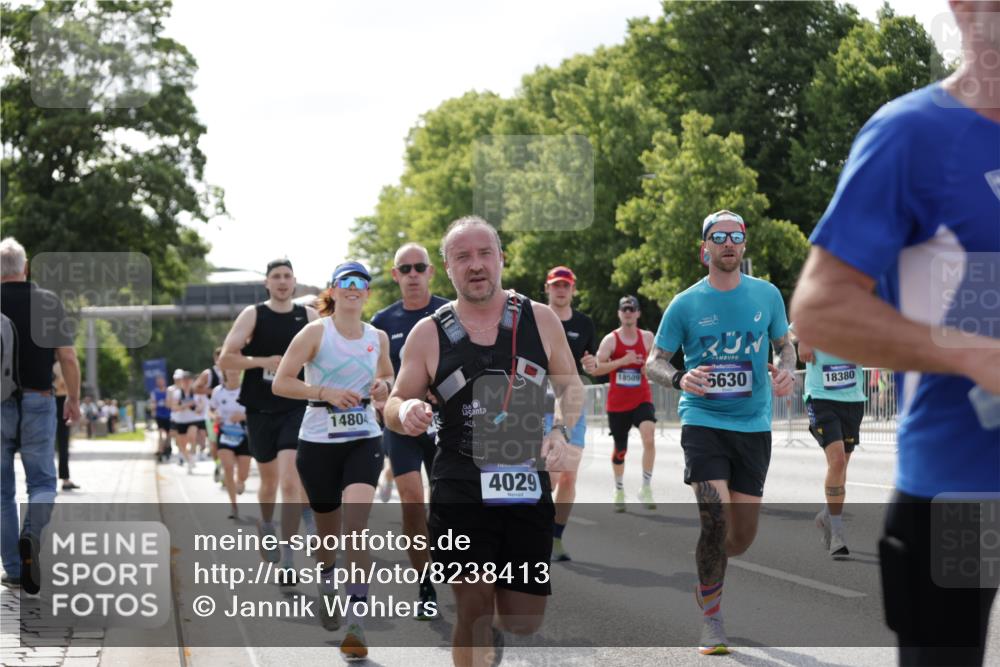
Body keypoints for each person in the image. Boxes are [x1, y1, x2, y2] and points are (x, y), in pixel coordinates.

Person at [790, 4, 1000, 663]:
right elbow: (820, 310)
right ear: (964, 9)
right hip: (960, 495)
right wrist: (973, 353)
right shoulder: (913, 134)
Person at [385, 216, 582, 667]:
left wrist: (559, 430)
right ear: (447, 269)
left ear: (501, 259)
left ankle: (495, 626)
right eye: (462, 257)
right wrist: (406, 411)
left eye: (484, 254)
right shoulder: (429, 332)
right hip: (460, 480)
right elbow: (395, 401)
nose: (475, 265)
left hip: (526, 481)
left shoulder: (540, 318)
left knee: (522, 619)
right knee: (473, 607)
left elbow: (570, 388)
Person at [644, 210, 795, 655]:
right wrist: (678, 379)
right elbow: (655, 360)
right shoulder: (685, 303)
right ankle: (712, 619)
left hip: (753, 424)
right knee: (715, 520)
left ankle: (709, 577)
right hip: (703, 421)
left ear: (743, 246)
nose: (728, 243)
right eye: (719, 236)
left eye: (736, 236)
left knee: (740, 537)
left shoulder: (766, 295)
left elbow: (785, 346)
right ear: (704, 248)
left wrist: (788, 372)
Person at [273, 260, 394, 661]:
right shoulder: (314, 333)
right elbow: (282, 382)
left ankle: (356, 623)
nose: (355, 288)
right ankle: (326, 581)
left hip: (364, 437)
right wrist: (323, 392)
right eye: (347, 282)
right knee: (328, 539)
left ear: (368, 292)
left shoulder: (377, 336)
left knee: (356, 528)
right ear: (334, 290)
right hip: (319, 440)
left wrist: (383, 387)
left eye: (362, 282)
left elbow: (389, 376)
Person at [219, 258, 318, 570]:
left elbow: (327, 355)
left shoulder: (309, 316)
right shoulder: (253, 315)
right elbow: (226, 359)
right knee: (269, 481)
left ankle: (288, 558)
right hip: (261, 408)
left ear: (294, 282)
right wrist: (262, 361)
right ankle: (265, 524)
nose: (282, 281)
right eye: (276, 276)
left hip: (296, 405)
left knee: (290, 480)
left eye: (287, 276)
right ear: (267, 283)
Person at [370, 242, 449, 617]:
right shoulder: (383, 323)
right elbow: (374, 373)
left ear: (431, 271)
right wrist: (379, 392)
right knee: (412, 499)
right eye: (406, 269)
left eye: (420, 267)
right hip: (401, 424)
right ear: (395, 275)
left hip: (448, 423)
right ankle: (426, 585)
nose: (414, 274)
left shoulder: (451, 312)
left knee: (446, 503)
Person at [0, 237, 81, 592]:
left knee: (2, 493)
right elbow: (68, 357)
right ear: (26, 266)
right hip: (39, 399)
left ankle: (15, 570)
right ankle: (31, 533)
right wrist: (74, 398)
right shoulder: (48, 302)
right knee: (44, 483)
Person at [789, 324, 865, 559]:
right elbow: (790, 332)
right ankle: (837, 531)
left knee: (842, 465)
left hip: (853, 397)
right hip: (821, 395)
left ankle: (827, 515)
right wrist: (803, 339)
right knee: (838, 461)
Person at [583, 295, 657, 513]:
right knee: (620, 450)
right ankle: (619, 488)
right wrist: (623, 362)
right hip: (618, 404)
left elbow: (656, 364)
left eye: (632, 309)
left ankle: (646, 487)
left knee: (649, 436)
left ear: (638, 313)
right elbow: (596, 369)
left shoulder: (647, 338)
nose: (628, 312)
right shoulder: (610, 340)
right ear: (619, 313)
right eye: (624, 309)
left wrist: (647, 369)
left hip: (642, 398)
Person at [543, 265, 597, 560]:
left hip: (572, 402)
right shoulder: (536, 318)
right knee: (549, 476)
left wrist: (593, 365)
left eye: (566, 285)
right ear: (547, 288)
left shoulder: (584, 323)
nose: (561, 290)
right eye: (556, 285)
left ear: (573, 289)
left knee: (568, 478)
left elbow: (592, 363)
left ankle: (556, 538)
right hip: (539, 403)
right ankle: (536, 528)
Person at [210, 368, 252, 519]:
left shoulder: (247, 389)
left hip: (244, 434)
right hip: (225, 433)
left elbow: (257, 411)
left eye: (236, 371)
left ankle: (240, 481)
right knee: (228, 467)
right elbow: (211, 409)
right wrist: (215, 416)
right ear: (225, 373)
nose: (233, 374)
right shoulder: (218, 391)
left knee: (243, 474)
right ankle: (233, 506)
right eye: (230, 371)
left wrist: (243, 416)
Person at [167, 370, 206, 474]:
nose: (186, 383)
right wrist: (186, 405)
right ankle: (189, 460)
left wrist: (198, 408)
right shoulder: (177, 393)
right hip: (180, 421)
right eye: (184, 381)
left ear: (192, 381)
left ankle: (193, 454)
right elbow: (173, 407)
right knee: (182, 445)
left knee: (192, 436)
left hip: (193, 420)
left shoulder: (197, 392)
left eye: (188, 380)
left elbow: (201, 405)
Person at [52, 361, 79, 491]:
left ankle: (55, 479)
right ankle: (65, 479)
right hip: (60, 400)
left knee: (47, 444)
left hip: (49, 399)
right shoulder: (62, 362)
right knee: (63, 443)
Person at [151, 374, 173, 462]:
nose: (160, 383)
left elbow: (170, 404)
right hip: (159, 416)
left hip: (168, 416)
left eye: (161, 381)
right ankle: (160, 450)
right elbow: (153, 403)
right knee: (160, 433)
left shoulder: (168, 391)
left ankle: (167, 448)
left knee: (168, 435)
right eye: (158, 381)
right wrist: (153, 410)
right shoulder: (154, 392)